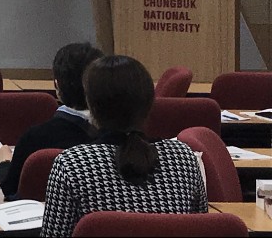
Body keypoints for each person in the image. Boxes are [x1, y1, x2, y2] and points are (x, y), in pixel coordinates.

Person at [40, 55, 207, 237]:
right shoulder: (184, 158)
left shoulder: (71, 165)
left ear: (92, 106)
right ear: (149, 103)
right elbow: (201, 228)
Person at [0, 42, 103, 198]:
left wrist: (3, 164)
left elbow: (8, 192)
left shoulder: (34, 138)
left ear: (57, 86)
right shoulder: (119, 135)